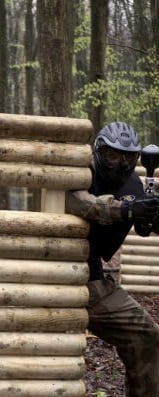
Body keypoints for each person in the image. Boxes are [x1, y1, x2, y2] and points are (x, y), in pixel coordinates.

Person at [66, 121, 159, 397]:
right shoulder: (79, 173)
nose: (120, 163)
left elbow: (147, 222)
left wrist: (151, 214)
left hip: (94, 283)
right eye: (112, 155)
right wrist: (126, 210)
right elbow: (80, 204)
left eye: (129, 157)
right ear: (98, 153)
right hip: (52, 277)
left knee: (149, 336)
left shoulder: (135, 184)